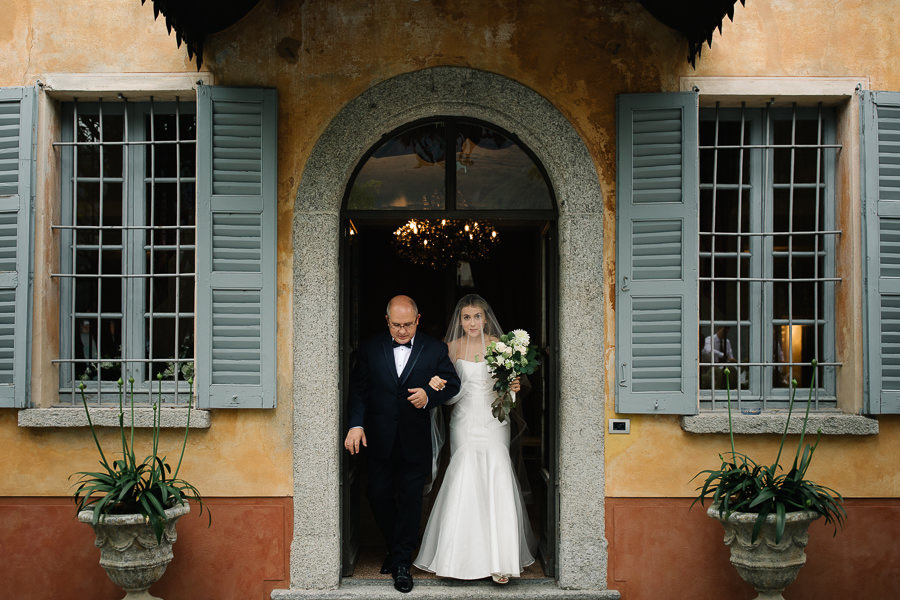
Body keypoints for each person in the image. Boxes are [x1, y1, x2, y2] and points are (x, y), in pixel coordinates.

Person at [413, 294, 536, 584]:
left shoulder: (502, 345)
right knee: (464, 474)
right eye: (466, 317)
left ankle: (501, 560)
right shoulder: (450, 348)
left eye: (476, 316)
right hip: (464, 420)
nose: (471, 322)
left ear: (485, 317)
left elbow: (512, 386)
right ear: (459, 320)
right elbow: (444, 387)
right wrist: (436, 384)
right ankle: (458, 559)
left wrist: (514, 386)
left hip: (495, 420)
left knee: (497, 473)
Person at [344, 295, 460, 594]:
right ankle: (395, 547)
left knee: (410, 500)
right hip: (377, 438)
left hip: (414, 439)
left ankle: (400, 563)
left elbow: (453, 382)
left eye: (408, 324)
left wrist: (428, 397)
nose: (402, 331)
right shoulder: (370, 347)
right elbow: (359, 390)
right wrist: (356, 424)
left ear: (418, 320)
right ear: (387, 321)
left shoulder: (435, 349)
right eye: (396, 325)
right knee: (377, 494)